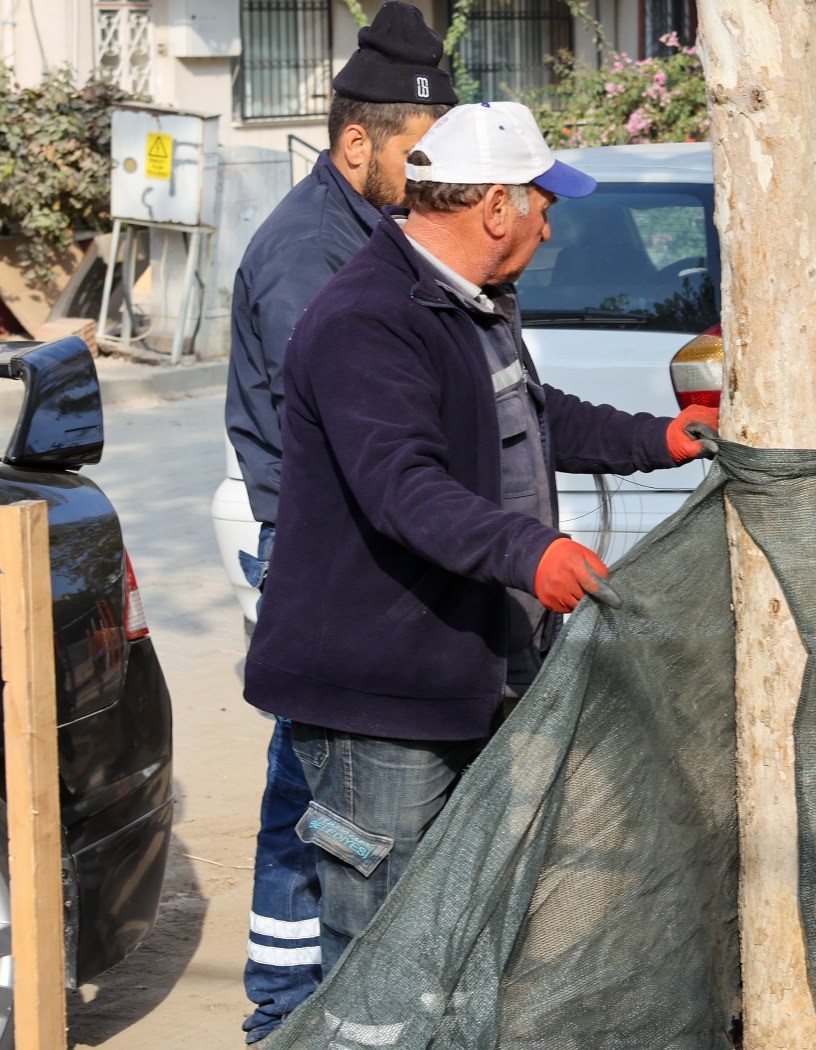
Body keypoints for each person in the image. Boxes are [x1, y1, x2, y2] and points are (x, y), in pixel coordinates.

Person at [242, 100, 718, 976]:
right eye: (544, 201)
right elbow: (401, 486)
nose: (551, 222)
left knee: (469, 935)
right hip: (377, 699)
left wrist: (659, 440)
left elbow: (529, 416)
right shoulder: (367, 317)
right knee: (385, 953)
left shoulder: (476, 300)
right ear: (496, 207)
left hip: (469, 673)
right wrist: (529, 554)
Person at [224, 3, 453, 1040]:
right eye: (422, 151)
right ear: (356, 143)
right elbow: (367, 443)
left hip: (365, 548)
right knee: (312, 796)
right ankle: (284, 1010)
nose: (437, 172)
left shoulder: (381, 232)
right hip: (323, 555)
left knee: (330, 793)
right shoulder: (311, 259)